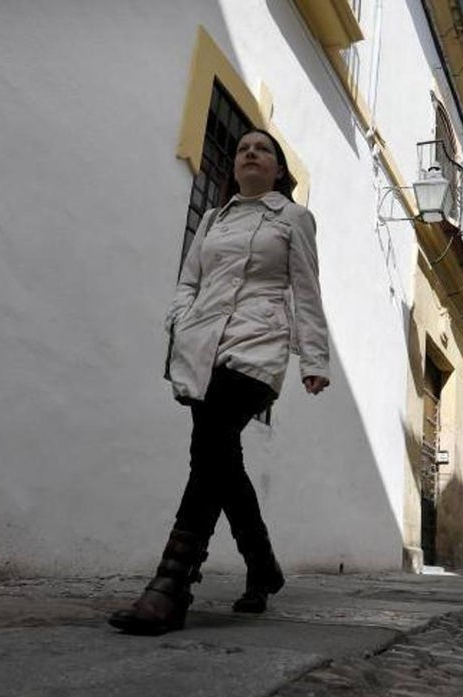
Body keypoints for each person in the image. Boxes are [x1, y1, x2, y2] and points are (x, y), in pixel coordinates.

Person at [109, 129, 331, 636]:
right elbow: (189, 281)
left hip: (259, 346)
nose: (251, 153)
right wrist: (180, 322)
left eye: (264, 150)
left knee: (210, 447)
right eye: (242, 149)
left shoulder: (293, 219)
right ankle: (263, 566)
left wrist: (312, 359)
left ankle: (171, 586)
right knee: (219, 458)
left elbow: (307, 290)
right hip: (203, 346)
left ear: (278, 170)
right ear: (234, 168)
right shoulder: (213, 219)